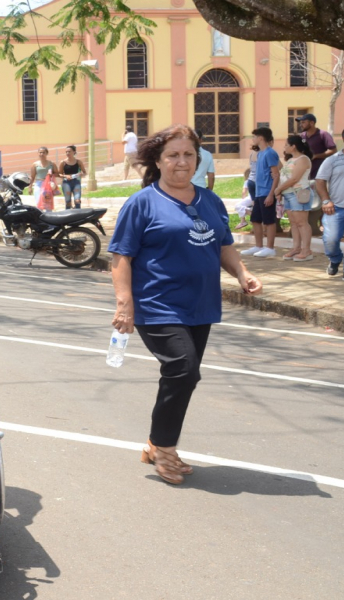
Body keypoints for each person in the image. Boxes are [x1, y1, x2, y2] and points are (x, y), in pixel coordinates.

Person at [110, 125, 261, 485]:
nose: (182, 162)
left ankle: (154, 442)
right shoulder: (142, 203)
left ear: (198, 158)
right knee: (183, 369)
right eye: (173, 155)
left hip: (201, 305)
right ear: (158, 161)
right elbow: (120, 257)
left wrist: (242, 273)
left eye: (188, 155)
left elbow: (223, 245)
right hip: (157, 304)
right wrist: (124, 304)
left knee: (184, 377)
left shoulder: (209, 200)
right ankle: (164, 447)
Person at [314, 125, 344, 283]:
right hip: (335, 208)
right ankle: (335, 258)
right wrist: (326, 200)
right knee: (330, 239)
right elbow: (320, 181)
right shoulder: (332, 160)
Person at [240, 127, 281, 259]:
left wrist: (271, 194)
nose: (253, 139)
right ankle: (258, 245)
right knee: (255, 219)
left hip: (266, 191)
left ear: (261, 138)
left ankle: (270, 248)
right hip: (258, 192)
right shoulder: (260, 153)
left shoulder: (270, 153)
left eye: (254, 137)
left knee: (269, 221)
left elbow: (276, 175)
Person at [272, 135, 314, 261]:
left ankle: (306, 250)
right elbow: (285, 177)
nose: (284, 147)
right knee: (294, 223)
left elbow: (295, 178)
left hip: (299, 194)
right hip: (288, 194)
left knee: (302, 223)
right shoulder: (291, 160)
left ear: (293, 146)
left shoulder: (303, 159)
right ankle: (296, 248)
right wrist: (280, 191)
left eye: (286, 144)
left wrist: (278, 189)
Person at [298, 113, 338, 235]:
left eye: (303, 122)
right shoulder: (302, 136)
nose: (301, 124)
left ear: (311, 123)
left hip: (321, 173)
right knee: (310, 200)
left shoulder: (323, 134)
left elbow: (333, 150)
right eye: (301, 122)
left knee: (323, 199)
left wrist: (317, 156)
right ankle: (310, 226)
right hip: (305, 174)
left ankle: (325, 225)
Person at [235, 145, 259, 230]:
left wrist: (243, 199)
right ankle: (246, 218)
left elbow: (244, 192)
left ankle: (246, 218)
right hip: (255, 196)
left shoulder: (248, 181)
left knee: (238, 205)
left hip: (251, 197)